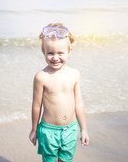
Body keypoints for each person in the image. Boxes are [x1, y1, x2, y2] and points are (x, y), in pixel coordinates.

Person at [29, 23, 89, 162]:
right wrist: (33, 129)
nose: (55, 58)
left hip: (71, 130)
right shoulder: (41, 76)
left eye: (60, 53)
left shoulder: (74, 74)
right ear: (43, 52)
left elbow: (78, 103)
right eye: (50, 53)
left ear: (69, 51)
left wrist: (84, 129)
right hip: (48, 131)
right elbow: (36, 105)